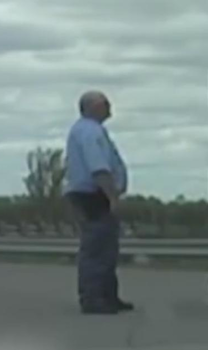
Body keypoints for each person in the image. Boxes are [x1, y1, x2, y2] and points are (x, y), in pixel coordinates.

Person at [64, 91, 133, 315]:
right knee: (96, 247)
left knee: (107, 248)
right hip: (93, 195)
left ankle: (107, 296)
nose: (110, 106)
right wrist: (112, 196)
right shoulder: (88, 131)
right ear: (92, 106)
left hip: (93, 194)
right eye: (105, 103)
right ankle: (93, 299)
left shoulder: (92, 130)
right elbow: (98, 167)